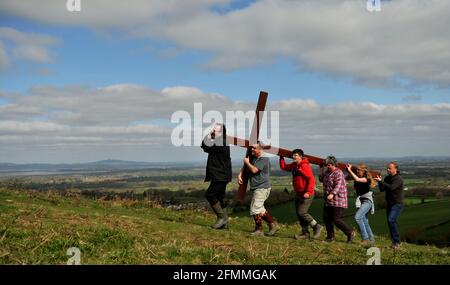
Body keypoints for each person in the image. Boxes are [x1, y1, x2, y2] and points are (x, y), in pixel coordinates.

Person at [238, 142, 279, 237]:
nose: (252, 150)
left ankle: (259, 230)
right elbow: (246, 167)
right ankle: (273, 225)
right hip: (258, 187)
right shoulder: (255, 158)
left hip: (262, 187)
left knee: (255, 209)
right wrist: (240, 174)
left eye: (254, 148)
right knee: (260, 209)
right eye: (251, 148)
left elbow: (254, 170)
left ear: (260, 149)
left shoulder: (264, 159)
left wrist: (247, 162)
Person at [280, 149, 323, 240]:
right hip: (299, 193)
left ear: (300, 157)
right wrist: (281, 157)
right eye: (293, 155)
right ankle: (305, 233)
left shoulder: (304, 166)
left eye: (295, 155)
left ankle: (316, 226)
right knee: (299, 214)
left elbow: (311, 179)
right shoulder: (295, 165)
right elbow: (284, 167)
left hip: (307, 194)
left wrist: (308, 192)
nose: (293, 157)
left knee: (302, 212)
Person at [201, 123, 232, 229]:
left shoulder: (221, 143)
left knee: (210, 195)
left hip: (220, 176)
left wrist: (209, 137)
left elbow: (206, 147)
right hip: (220, 175)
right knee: (219, 197)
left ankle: (221, 218)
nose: (213, 132)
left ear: (222, 132)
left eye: (216, 131)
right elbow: (205, 146)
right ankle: (225, 223)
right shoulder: (220, 142)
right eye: (213, 130)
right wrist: (210, 136)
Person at [319, 156, 355, 243]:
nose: (328, 166)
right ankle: (330, 237)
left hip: (338, 199)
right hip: (328, 200)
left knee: (336, 219)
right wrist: (321, 169)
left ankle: (350, 232)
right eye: (326, 165)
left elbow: (338, 185)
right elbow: (321, 179)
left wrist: (332, 194)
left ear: (333, 164)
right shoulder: (327, 173)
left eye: (329, 165)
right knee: (326, 218)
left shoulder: (338, 173)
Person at [375, 162, 404, 249]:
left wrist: (381, 181)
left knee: (391, 220)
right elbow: (382, 189)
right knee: (390, 222)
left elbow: (391, 188)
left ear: (395, 169)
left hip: (397, 204)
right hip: (389, 204)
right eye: (387, 168)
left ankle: (397, 242)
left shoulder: (398, 179)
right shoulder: (387, 178)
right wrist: (380, 182)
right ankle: (394, 242)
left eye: (389, 168)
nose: (387, 169)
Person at [346, 163, 377, 246]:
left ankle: (365, 238)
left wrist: (350, 170)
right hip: (362, 201)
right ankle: (372, 239)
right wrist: (349, 171)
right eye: (357, 170)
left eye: (359, 170)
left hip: (367, 201)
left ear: (364, 171)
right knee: (364, 221)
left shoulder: (366, 179)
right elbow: (348, 178)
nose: (357, 171)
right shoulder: (357, 177)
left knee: (357, 217)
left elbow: (357, 180)